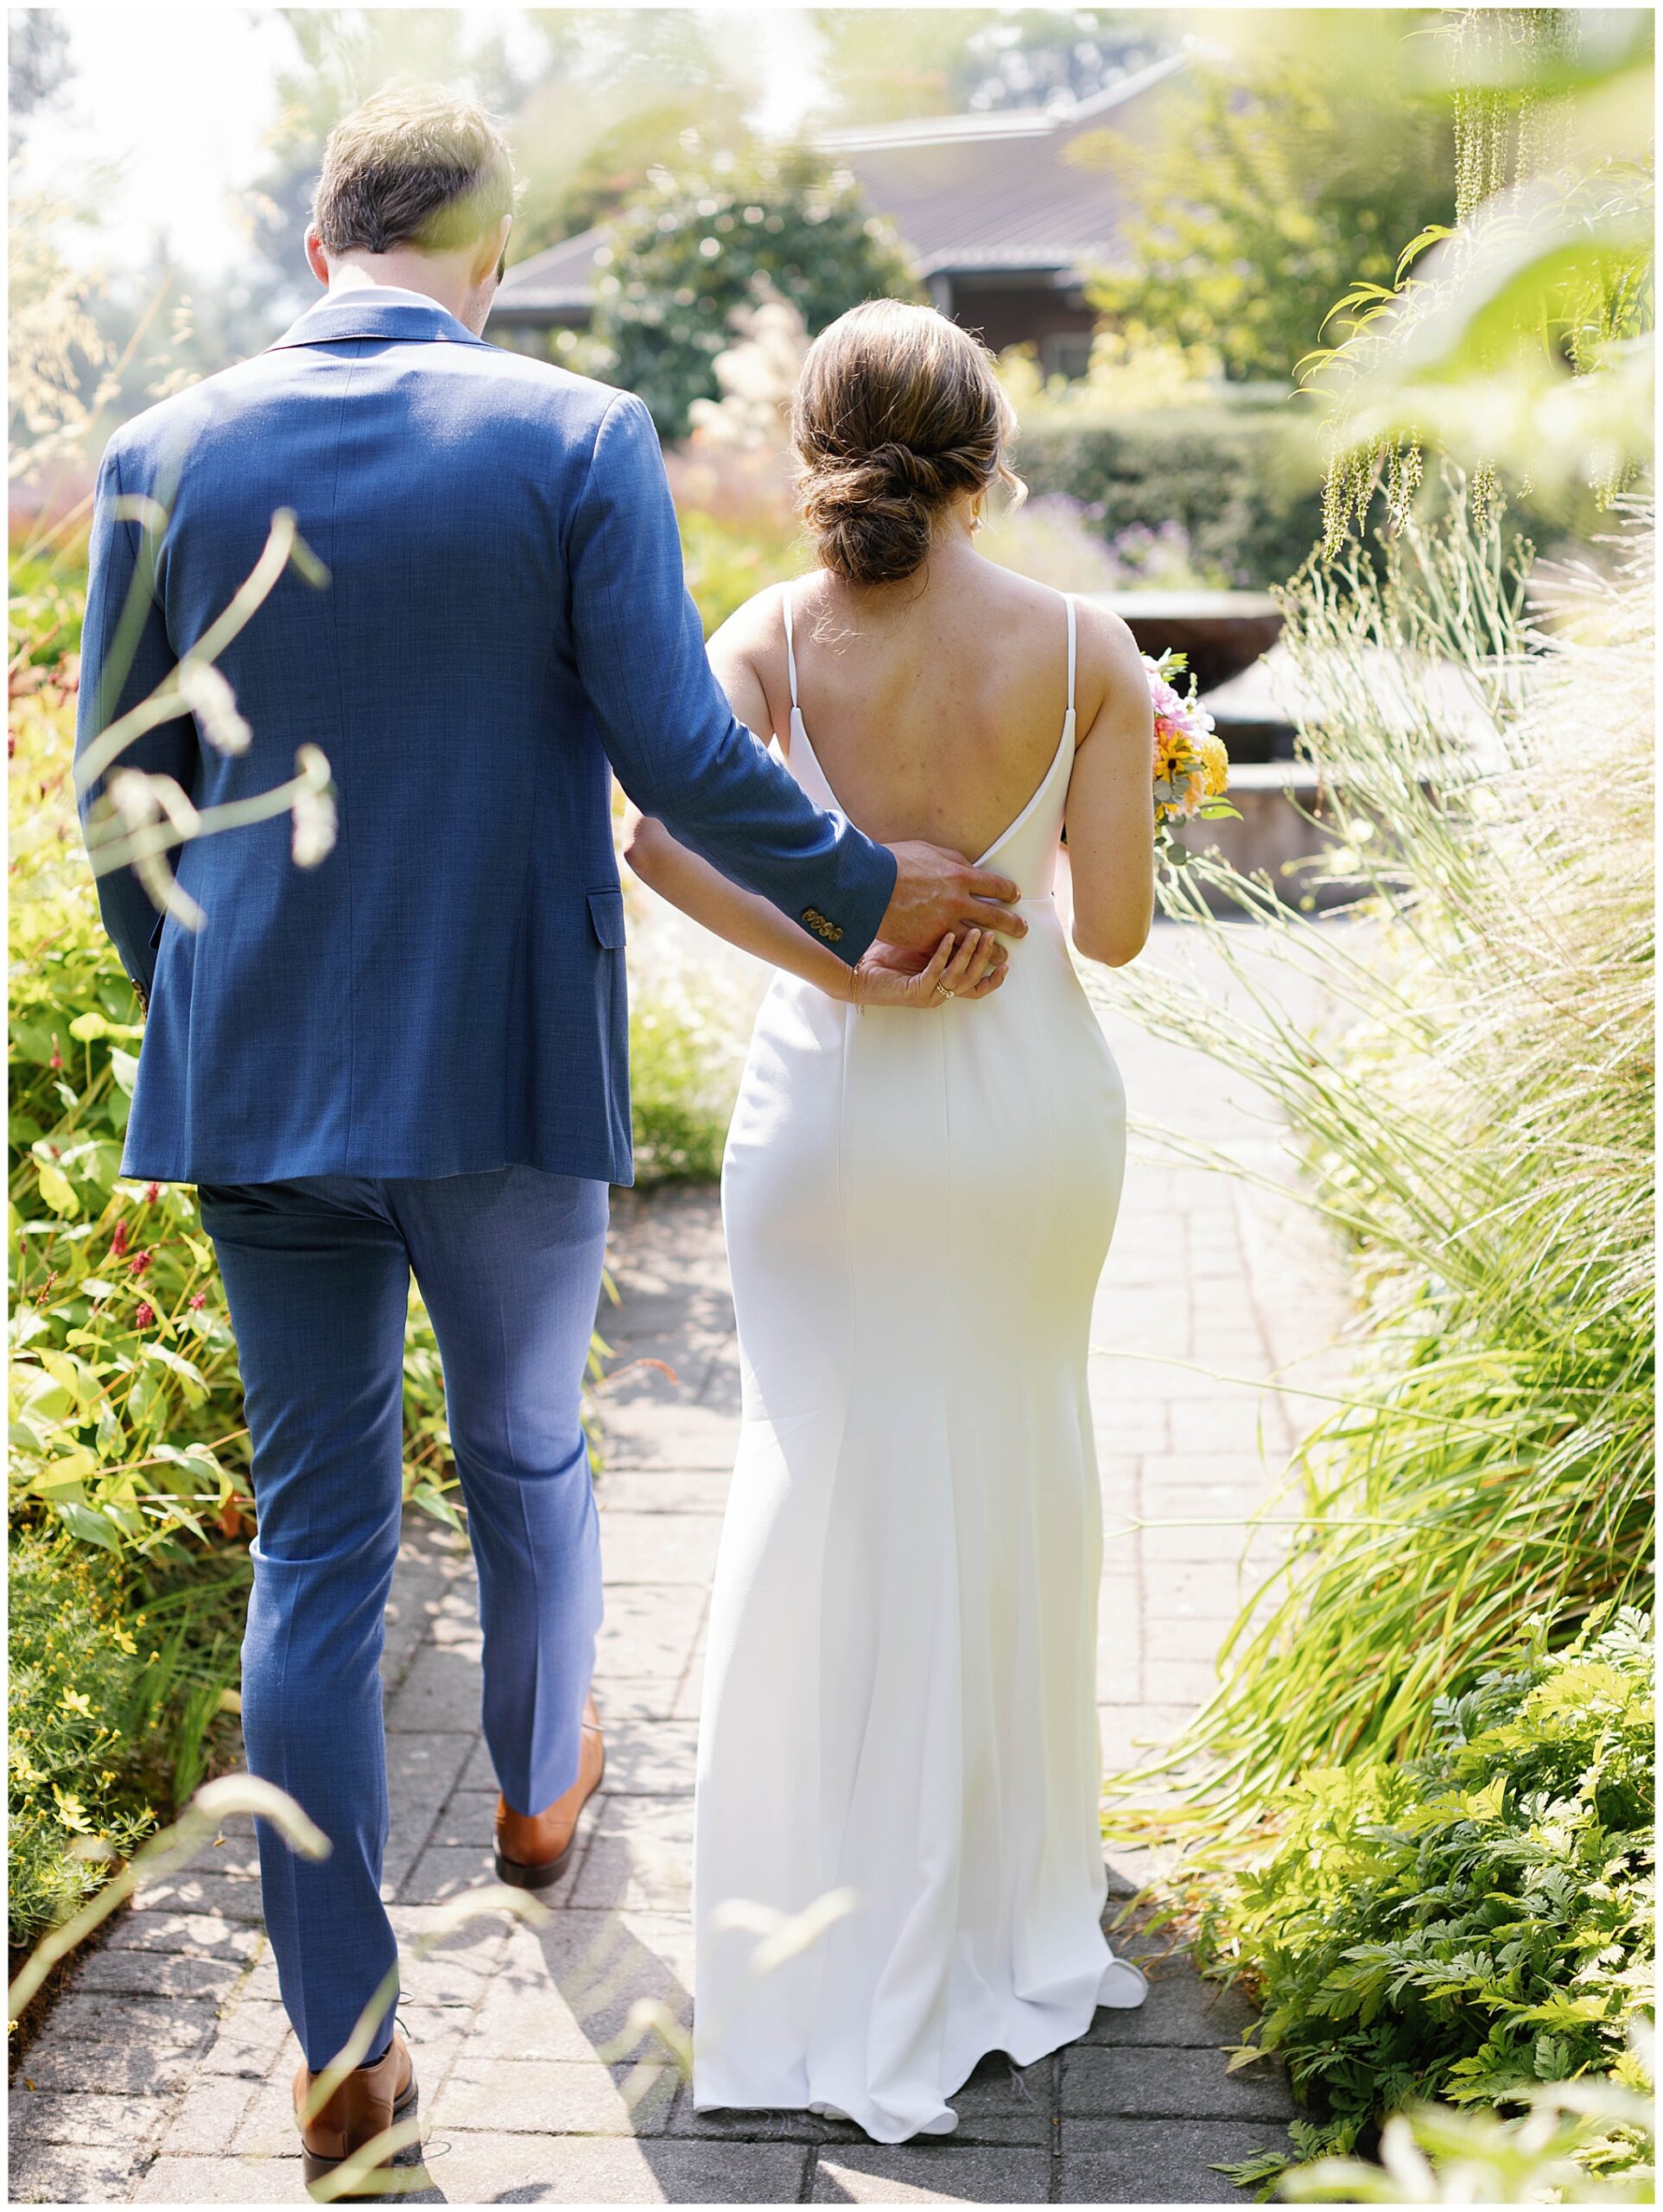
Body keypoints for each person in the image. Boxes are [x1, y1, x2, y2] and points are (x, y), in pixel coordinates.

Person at [73, 96, 1023, 2196]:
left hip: (261, 1092)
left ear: (324, 244)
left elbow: (116, 812)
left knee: (320, 1549)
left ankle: (341, 2053)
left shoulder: (156, 451)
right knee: (525, 1452)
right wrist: (877, 893)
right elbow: (678, 747)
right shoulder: (573, 433)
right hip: (501, 1071)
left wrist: (204, 1004)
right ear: (485, 256)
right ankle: (532, 1797)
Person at [625, 299, 1158, 2144]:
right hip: (1023, 1121)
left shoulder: (770, 635)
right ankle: (999, 1892)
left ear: (818, 442)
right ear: (987, 449)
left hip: (832, 1119)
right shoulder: (1088, 647)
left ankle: (793, 1907)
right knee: (1014, 1462)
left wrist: (844, 967)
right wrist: (1138, 761)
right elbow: (1108, 933)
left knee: (815, 1463)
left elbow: (654, 836)